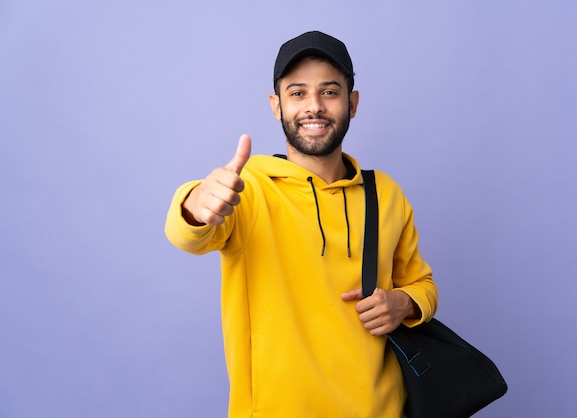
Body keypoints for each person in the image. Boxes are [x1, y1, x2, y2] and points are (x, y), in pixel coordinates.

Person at [165, 30, 438, 418]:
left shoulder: (386, 194)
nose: (314, 106)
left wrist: (403, 303)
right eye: (297, 93)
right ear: (276, 106)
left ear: (352, 102)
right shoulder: (251, 189)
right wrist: (194, 204)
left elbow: (423, 285)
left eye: (329, 92)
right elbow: (187, 236)